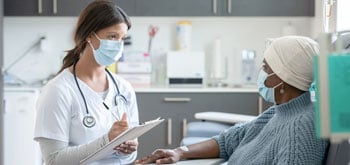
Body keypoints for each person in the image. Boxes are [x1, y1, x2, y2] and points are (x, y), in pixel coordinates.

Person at [136, 36, 329, 165]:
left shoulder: (302, 129)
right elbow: (230, 140)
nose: (261, 74)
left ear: (283, 79)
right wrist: (179, 152)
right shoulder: (279, 111)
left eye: (266, 68)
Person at [34, 0, 139, 164]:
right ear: (89, 36)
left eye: (122, 39)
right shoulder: (58, 90)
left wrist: (128, 150)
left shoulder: (124, 89)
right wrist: (107, 141)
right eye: (112, 36)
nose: (118, 45)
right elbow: (54, 160)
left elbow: (129, 156)